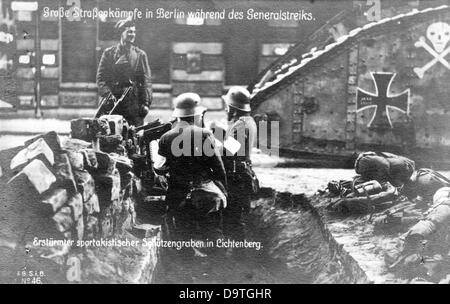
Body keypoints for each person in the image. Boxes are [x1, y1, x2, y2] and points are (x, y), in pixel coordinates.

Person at [158, 93, 227, 256]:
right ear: (196, 115)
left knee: (182, 234)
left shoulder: (165, 137)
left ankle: (185, 268)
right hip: (205, 194)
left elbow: (160, 167)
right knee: (212, 231)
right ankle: (220, 267)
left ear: (177, 116)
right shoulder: (205, 134)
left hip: (178, 194)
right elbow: (218, 167)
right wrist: (224, 190)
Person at [96, 18, 152, 126]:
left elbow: (146, 81)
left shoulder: (140, 55)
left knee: (134, 136)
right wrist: (108, 95)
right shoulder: (109, 54)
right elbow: (101, 78)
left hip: (133, 104)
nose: (132, 34)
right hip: (114, 102)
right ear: (121, 33)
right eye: (129, 31)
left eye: (134, 32)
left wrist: (146, 103)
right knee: (111, 135)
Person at [221, 86, 259, 243]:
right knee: (235, 217)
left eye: (227, 106)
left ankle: (238, 256)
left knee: (233, 218)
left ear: (233, 107)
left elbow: (228, 152)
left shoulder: (239, 125)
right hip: (242, 174)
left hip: (236, 177)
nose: (225, 109)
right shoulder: (247, 121)